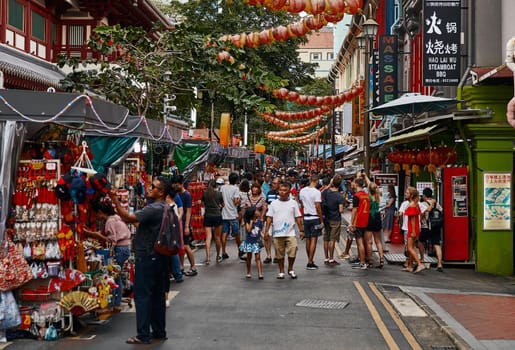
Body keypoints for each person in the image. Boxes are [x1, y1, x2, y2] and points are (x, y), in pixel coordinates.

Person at [109, 176, 170, 345]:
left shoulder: (154, 208)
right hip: (159, 256)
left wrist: (115, 199)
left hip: (148, 256)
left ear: (161, 192)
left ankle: (143, 335)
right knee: (157, 295)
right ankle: (159, 331)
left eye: (154, 187)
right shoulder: (165, 207)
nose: (149, 188)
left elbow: (129, 218)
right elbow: (142, 226)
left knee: (142, 296)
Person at [83, 200, 131, 313]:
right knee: (116, 275)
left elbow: (112, 239)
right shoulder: (115, 218)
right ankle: (115, 304)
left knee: (113, 276)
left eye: (96, 214)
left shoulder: (110, 221)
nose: (96, 217)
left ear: (100, 212)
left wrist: (96, 235)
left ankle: (112, 304)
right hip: (124, 248)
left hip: (120, 248)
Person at [264, 182, 304, 279]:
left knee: (293, 250)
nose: (282, 192)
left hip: (290, 233)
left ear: (289, 192)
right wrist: (266, 231)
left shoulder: (293, 203)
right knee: (279, 254)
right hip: (277, 233)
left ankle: (290, 269)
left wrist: (301, 230)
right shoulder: (273, 204)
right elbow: (269, 218)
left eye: (284, 190)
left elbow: (298, 217)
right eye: (280, 190)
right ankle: (281, 271)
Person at [173, 175, 197, 277]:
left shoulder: (187, 195)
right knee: (181, 247)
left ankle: (193, 267)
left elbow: (188, 212)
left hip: (184, 223)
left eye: (177, 184)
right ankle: (181, 266)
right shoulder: (176, 194)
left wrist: (187, 226)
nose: (175, 186)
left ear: (182, 184)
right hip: (178, 224)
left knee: (186, 246)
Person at [299, 174, 323, 270]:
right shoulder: (317, 192)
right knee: (314, 239)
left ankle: (310, 260)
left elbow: (301, 203)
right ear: (316, 181)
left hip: (306, 218)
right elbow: (318, 207)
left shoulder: (302, 191)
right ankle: (310, 262)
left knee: (308, 239)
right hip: (314, 218)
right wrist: (321, 220)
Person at [321, 174, 344, 266]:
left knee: (326, 239)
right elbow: (341, 210)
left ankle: (326, 257)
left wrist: (330, 184)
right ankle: (331, 259)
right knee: (332, 239)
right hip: (335, 219)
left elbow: (322, 191)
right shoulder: (339, 196)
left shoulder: (326, 193)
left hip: (326, 218)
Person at [220, 172, 244, 261]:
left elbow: (220, 199)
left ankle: (223, 252)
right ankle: (240, 250)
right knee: (237, 233)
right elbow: (235, 202)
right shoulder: (235, 189)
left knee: (224, 233)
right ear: (236, 180)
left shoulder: (222, 188)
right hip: (233, 214)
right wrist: (239, 201)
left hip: (224, 214)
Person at [420, 188, 444, 272]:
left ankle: (422, 259)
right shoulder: (436, 203)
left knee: (421, 242)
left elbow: (422, 214)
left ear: (424, 195)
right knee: (437, 244)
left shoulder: (422, 204)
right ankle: (440, 263)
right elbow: (441, 211)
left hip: (425, 226)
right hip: (435, 226)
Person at [349, 177, 370, 270]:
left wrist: (351, 223)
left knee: (359, 242)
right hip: (366, 220)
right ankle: (363, 260)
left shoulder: (356, 196)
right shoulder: (366, 195)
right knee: (364, 241)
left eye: (353, 183)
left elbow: (354, 210)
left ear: (357, 184)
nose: (352, 184)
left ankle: (362, 262)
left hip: (358, 221)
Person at [403, 187, 425, 274]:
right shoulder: (415, 204)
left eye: (407, 193)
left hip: (412, 229)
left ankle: (419, 264)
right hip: (414, 227)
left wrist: (413, 231)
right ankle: (410, 266)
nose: (406, 194)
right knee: (410, 248)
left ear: (411, 195)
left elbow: (412, 219)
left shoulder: (412, 205)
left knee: (410, 248)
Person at [201, 179, 224, 264]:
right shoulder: (219, 194)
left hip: (208, 216)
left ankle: (207, 258)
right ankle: (218, 256)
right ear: (216, 186)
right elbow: (223, 205)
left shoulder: (204, 193)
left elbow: (202, 204)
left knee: (208, 237)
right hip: (217, 216)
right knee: (217, 237)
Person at [239, 207, 264, 279]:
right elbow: (249, 230)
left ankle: (260, 273)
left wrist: (264, 236)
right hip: (249, 242)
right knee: (249, 258)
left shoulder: (259, 222)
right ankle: (248, 272)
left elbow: (260, 231)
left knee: (258, 258)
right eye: (256, 211)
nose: (258, 212)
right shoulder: (248, 222)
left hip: (256, 242)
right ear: (252, 213)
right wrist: (251, 222)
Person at [365, 182, 385, 268]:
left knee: (369, 242)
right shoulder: (379, 196)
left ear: (369, 189)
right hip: (377, 217)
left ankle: (370, 261)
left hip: (369, 217)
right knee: (378, 241)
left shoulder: (367, 197)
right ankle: (381, 258)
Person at [264, 176, 281, 263]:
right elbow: (266, 205)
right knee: (267, 237)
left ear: (279, 184)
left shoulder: (283, 194)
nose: (273, 185)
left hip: (278, 220)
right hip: (269, 219)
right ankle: (268, 255)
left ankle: (277, 255)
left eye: (275, 183)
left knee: (277, 239)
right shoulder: (270, 193)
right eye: (273, 183)